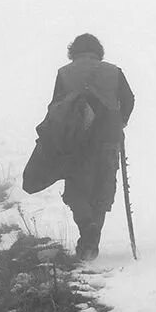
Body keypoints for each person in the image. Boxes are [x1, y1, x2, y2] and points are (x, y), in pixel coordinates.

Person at [51, 33, 135, 260]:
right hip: (109, 139)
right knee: (102, 189)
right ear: (99, 51)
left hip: (75, 142)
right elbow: (129, 99)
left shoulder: (64, 73)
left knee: (77, 190)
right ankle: (91, 243)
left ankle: (87, 231)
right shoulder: (114, 71)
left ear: (73, 52)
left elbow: (55, 107)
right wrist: (121, 122)